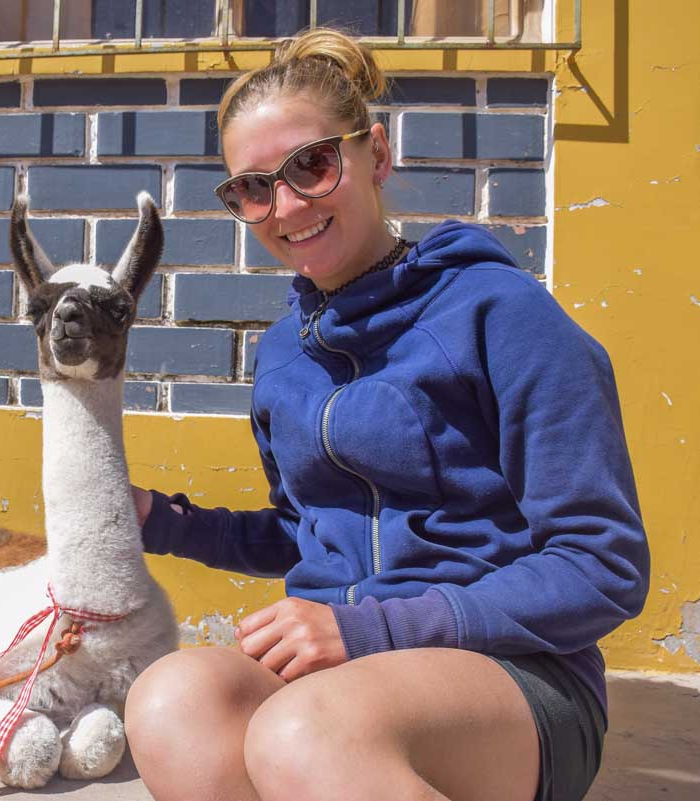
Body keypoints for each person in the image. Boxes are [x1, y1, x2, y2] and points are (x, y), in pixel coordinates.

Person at [124, 27, 650, 801]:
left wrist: (371, 630)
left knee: (305, 732)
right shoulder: (281, 357)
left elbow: (603, 564)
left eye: (312, 164)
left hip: (512, 676)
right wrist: (161, 521)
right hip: (339, 673)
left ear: (376, 153)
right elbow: (308, 531)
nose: (287, 205)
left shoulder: (501, 314)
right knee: (170, 702)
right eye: (253, 187)